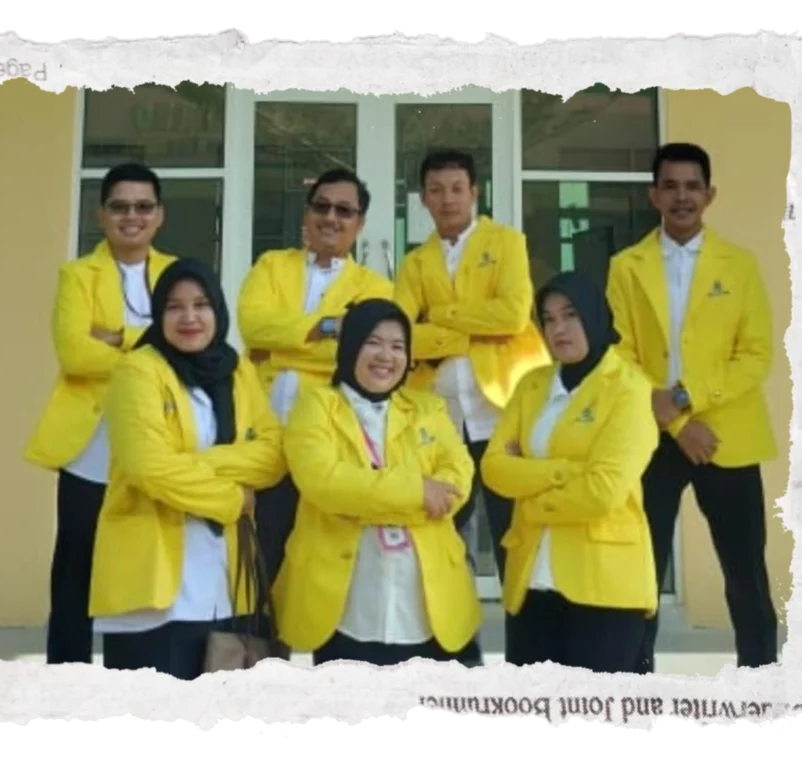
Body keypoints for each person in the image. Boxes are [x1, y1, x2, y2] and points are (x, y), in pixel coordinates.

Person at [605, 142, 780, 672]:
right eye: (671, 186)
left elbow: (755, 355)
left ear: (710, 194)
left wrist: (684, 398)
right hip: (652, 436)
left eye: (692, 186)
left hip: (728, 436)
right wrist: (676, 421)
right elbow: (618, 354)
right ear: (653, 195)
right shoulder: (626, 266)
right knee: (641, 569)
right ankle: (635, 682)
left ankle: (761, 681)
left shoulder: (739, 265)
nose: (682, 196)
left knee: (745, 574)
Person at [88, 258, 286, 681]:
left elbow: (273, 455)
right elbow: (146, 467)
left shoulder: (238, 371)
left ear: (218, 310)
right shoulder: (137, 370)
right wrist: (231, 498)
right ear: (158, 314)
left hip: (226, 585)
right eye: (174, 307)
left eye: (201, 305)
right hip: (154, 588)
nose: (189, 317)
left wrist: (192, 462)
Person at [393, 150, 549, 662]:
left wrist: (439, 317)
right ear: (423, 198)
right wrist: (460, 334)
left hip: (499, 410)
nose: (447, 199)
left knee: (513, 539)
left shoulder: (506, 243)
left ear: (474, 192)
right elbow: (401, 333)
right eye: (436, 190)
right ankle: (458, 659)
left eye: (457, 188)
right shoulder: (416, 262)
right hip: (442, 417)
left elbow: (513, 314)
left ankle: (528, 660)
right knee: (446, 544)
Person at [23, 163, 177, 665]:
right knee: (76, 567)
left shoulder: (176, 275)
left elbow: (185, 347)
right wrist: (148, 347)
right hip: (90, 445)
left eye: (143, 206)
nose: (132, 216)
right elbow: (75, 353)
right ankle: (66, 678)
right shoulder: (77, 275)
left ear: (159, 215)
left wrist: (114, 337)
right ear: (101, 214)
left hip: (156, 441)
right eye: (120, 206)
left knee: (138, 561)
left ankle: (132, 674)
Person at [273, 299, 482, 666]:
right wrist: (419, 492)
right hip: (346, 607)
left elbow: (458, 478)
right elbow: (325, 483)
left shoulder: (428, 408)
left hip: (427, 606)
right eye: (373, 342)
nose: (386, 356)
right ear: (351, 345)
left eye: (398, 346)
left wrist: (366, 499)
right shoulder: (315, 406)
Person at [480, 272, 658, 672]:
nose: (558, 329)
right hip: (531, 582)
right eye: (548, 319)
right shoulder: (531, 384)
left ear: (594, 315)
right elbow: (493, 468)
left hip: (605, 587)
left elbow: (603, 491)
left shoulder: (628, 389)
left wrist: (530, 492)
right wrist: (567, 471)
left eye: (570, 315)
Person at [237, 168, 394, 601]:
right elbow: (252, 325)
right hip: (261, 432)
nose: (331, 218)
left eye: (344, 211)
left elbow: (357, 358)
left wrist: (278, 348)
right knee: (257, 559)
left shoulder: (375, 287)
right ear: (307, 213)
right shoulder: (272, 265)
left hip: (326, 437)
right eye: (321, 207)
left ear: (359, 223)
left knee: (316, 565)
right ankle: (255, 644)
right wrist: (327, 327)